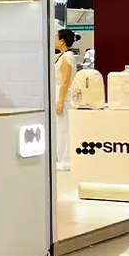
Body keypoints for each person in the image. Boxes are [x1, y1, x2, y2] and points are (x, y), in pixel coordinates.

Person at [54, 28, 80, 170]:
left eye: (56, 38)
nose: (54, 40)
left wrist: (60, 100)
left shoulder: (67, 58)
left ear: (62, 41)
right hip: (59, 94)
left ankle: (66, 158)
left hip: (64, 96)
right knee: (60, 127)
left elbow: (65, 81)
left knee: (64, 128)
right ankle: (61, 156)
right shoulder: (62, 56)